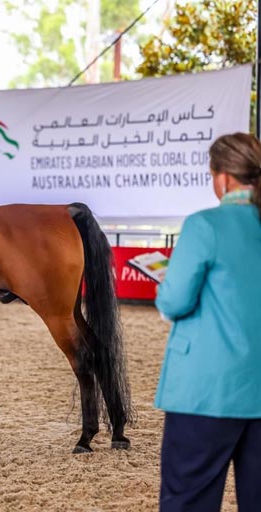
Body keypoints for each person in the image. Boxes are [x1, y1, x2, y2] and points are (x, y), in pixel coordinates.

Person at [155, 132, 261, 511]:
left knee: (190, 500)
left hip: (207, 392)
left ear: (223, 178)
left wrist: (166, 286)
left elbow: (175, 302)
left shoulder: (205, 225)